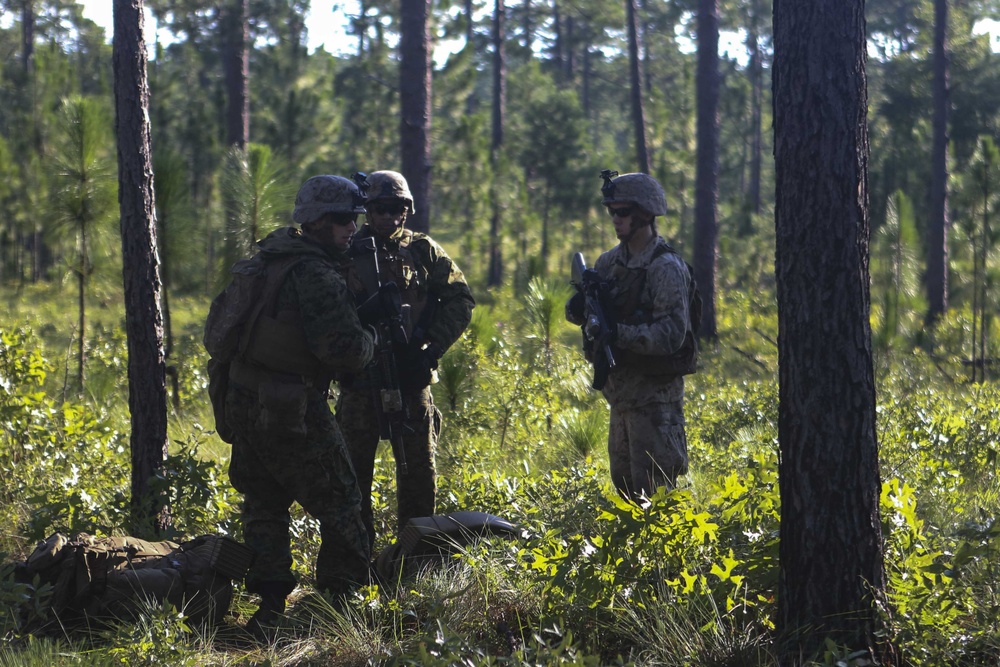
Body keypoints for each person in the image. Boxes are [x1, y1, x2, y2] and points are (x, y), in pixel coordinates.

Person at [220, 174, 374, 637]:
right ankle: (338, 607)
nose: (353, 228)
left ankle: (268, 608)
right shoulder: (316, 273)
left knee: (265, 502)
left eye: (355, 218)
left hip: (245, 400)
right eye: (344, 219)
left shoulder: (269, 259)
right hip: (292, 407)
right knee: (344, 501)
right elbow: (344, 350)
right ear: (317, 221)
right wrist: (371, 334)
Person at [337, 170, 475, 551]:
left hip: (411, 378)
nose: (387, 215)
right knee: (351, 478)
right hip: (361, 379)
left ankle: (412, 559)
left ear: (407, 209)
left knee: (418, 475)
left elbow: (461, 300)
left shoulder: (424, 249)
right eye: (379, 207)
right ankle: (356, 564)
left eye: (395, 207)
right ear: (367, 209)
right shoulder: (346, 249)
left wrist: (429, 350)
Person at [566, 171, 693, 500]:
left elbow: (671, 334)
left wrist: (619, 334)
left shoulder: (665, 267)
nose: (616, 220)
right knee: (625, 493)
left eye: (623, 212)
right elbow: (583, 317)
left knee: (658, 498)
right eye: (612, 212)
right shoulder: (607, 263)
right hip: (621, 400)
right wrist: (580, 308)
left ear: (646, 214)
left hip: (655, 403)